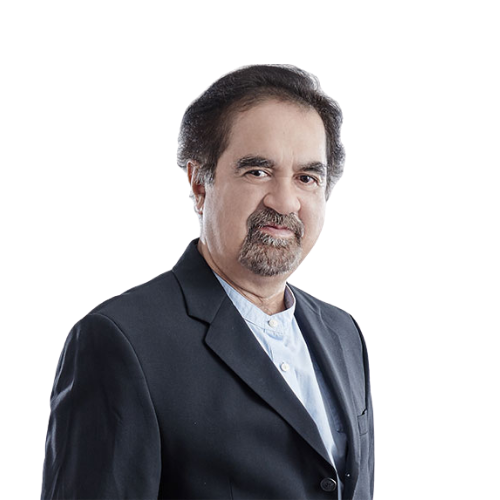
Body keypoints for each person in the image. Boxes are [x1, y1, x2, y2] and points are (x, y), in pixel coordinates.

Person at [41, 64, 374, 499]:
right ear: (199, 184)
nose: (285, 201)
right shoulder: (119, 341)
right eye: (257, 171)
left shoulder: (342, 332)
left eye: (307, 178)